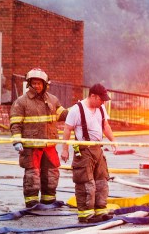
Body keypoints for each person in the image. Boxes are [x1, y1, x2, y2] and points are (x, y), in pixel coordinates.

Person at [10, 67, 67, 208]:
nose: (36, 86)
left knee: (52, 174)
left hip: (49, 146)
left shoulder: (53, 100)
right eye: (34, 83)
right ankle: (32, 201)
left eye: (39, 83)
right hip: (31, 146)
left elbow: (63, 115)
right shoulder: (21, 102)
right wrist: (17, 141)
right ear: (29, 84)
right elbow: (15, 124)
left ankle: (49, 199)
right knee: (32, 175)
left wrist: (77, 109)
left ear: (45, 84)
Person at [60, 83, 117, 224]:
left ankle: (100, 211)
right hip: (84, 151)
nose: (103, 102)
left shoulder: (101, 108)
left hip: (98, 149)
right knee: (86, 183)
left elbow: (105, 126)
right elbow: (67, 129)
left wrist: (113, 141)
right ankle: (85, 214)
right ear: (92, 96)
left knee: (102, 181)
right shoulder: (76, 110)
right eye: (101, 99)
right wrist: (65, 149)